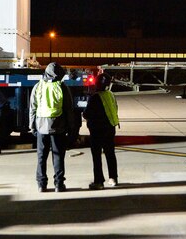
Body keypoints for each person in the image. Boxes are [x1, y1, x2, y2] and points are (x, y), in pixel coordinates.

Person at [29, 62, 77, 192]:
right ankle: (59, 184)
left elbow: (33, 108)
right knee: (58, 156)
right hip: (58, 127)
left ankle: (41, 184)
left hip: (41, 127)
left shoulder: (38, 86)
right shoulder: (62, 87)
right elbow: (68, 109)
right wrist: (72, 128)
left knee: (41, 157)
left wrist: (32, 126)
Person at [83, 73, 120, 189]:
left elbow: (87, 114)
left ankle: (99, 181)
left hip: (97, 130)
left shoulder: (95, 97)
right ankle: (113, 178)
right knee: (110, 154)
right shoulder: (110, 95)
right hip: (110, 128)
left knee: (97, 156)